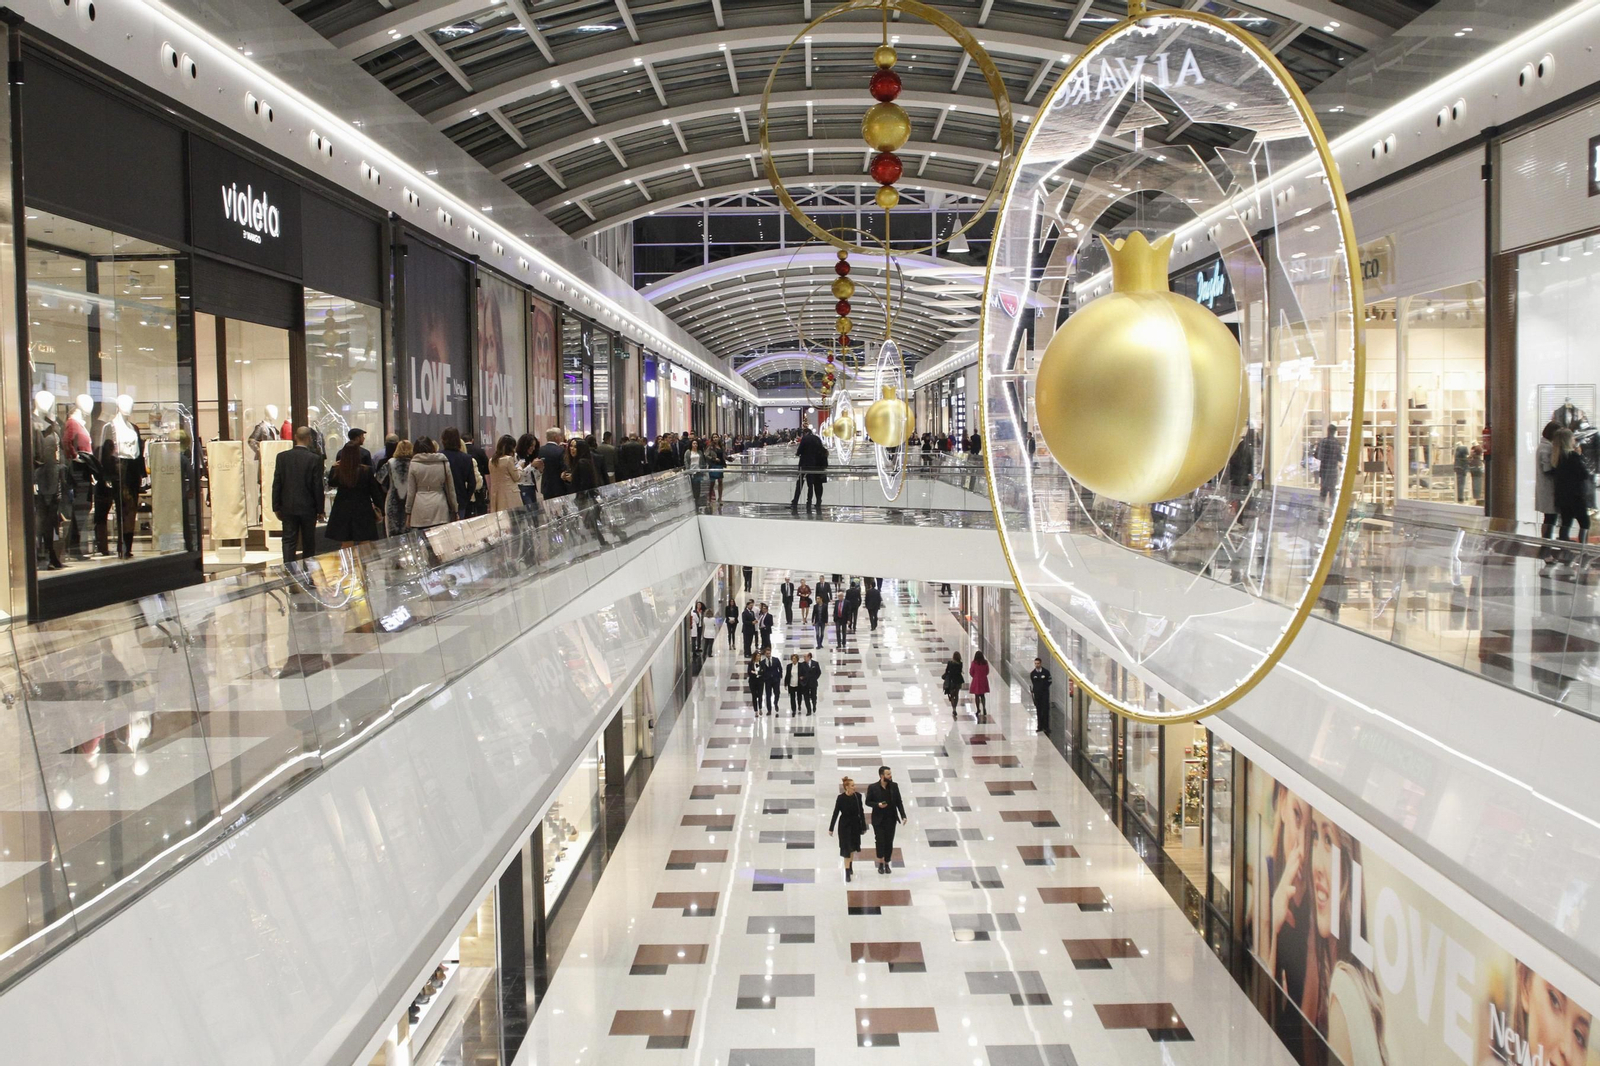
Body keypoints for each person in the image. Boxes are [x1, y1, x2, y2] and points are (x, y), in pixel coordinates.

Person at [272, 427, 324, 565]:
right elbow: (317, 486)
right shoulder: (314, 459)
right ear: (309, 439)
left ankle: (289, 568)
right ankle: (308, 570)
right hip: (308, 506)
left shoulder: (282, 457)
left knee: (288, 539)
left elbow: (277, 483)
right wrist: (320, 509)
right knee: (308, 540)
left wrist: (276, 506)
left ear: (295, 437)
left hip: (288, 505)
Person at [324, 443, 384, 548]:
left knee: (346, 542)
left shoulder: (339, 470)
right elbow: (374, 492)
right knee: (364, 542)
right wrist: (381, 508)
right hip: (363, 508)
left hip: (343, 508)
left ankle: (348, 564)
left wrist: (333, 468)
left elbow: (331, 483)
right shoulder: (366, 470)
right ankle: (364, 564)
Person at [405, 437, 458, 529]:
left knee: (422, 540)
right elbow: (450, 489)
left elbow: (411, 492)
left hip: (420, 506)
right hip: (440, 505)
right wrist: (455, 509)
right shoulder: (443, 462)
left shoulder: (413, 464)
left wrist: (408, 511)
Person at [863, 765, 906, 875]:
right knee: (880, 841)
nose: (890, 776)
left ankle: (887, 863)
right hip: (878, 819)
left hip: (891, 818)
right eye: (888, 774)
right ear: (882, 776)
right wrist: (877, 805)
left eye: (890, 774)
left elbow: (899, 802)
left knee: (889, 841)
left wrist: (903, 815)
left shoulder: (894, 786)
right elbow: (867, 802)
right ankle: (880, 863)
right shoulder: (873, 787)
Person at [1552, 427, 1592, 545]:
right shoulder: (1572, 456)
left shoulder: (1557, 457)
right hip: (1576, 496)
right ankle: (1583, 548)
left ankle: (1563, 548)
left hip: (1563, 496)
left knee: (1566, 522)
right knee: (1585, 523)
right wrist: (1580, 456)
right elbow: (1583, 474)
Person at [829, 776, 868, 881]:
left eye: (854, 785)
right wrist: (831, 827)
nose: (854, 787)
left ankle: (850, 865)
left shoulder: (858, 796)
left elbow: (861, 812)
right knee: (846, 848)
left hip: (855, 826)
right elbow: (836, 813)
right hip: (844, 827)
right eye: (852, 785)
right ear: (846, 787)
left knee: (852, 849)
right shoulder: (841, 798)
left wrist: (863, 826)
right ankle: (847, 872)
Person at [439, 427, 479, 521]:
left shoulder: (439, 457)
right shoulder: (466, 458)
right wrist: (466, 498)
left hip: (442, 499)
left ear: (443, 440)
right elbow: (472, 483)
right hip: (460, 499)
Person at [376, 439, 412, 537]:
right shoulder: (413, 463)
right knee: (409, 534)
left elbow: (379, 478)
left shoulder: (390, 462)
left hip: (393, 499)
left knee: (393, 534)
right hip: (409, 501)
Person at [794, 426, 828, 510]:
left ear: (804, 433)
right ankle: (818, 502)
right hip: (818, 465)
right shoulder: (817, 438)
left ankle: (799, 502)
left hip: (806, 465)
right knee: (817, 484)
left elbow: (799, 452)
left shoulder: (805, 439)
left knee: (803, 483)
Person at [1537, 420, 1560, 542]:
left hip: (1546, 489)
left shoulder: (1544, 446)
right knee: (1550, 519)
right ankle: (1545, 546)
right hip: (1548, 489)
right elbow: (1547, 469)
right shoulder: (1546, 448)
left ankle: (1545, 544)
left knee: (1549, 518)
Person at [488, 435, 522, 513]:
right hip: (510, 495)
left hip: (496, 495)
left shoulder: (491, 461)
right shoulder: (508, 459)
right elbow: (516, 477)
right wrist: (520, 467)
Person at [1314, 424, 1343, 504]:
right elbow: (1340, 458)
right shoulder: (1337, 443)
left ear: (1328, 431)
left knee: (1323, 491)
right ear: (1335, 432)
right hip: (1333, 471)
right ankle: (1332, 511)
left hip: (1324, 470)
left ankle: (1321, 510)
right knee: (1332, 492)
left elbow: (1316, 455)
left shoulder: (1322, 442)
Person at [515, 433, 543, 511]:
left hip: (532, 487)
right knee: (527, 511)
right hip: (522, 487)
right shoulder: (516, 457)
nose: (533, 448)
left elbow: (534, 477)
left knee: (534, 512)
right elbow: (519, 475)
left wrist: (540, 470)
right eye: (531, 446)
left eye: (534, 446)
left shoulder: (531, 458)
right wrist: (531, 466)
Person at [538, 428, 568, 500]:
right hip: (559, 485)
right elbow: (564, 467)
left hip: (546, 485)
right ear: (556, 437)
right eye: (560, 436)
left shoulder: (541, 450)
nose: (561, 438)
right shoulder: (561, 451)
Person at [1029, 657, 1053, 735]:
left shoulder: (1046, 672)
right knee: (1039, 710)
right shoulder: (1033, 673)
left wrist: (1043, 688)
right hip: (1037, 695)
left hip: (1045, 694)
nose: (1037, 665)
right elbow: (1033, 682)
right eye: (1035, 663)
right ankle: (1040, 726)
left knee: (1045, 710)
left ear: (1041, 663)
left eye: (1038, 663)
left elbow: (1049, 681)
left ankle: (1046, 727)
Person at [969, 650, 992, 720]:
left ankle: (978, 709)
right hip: (983, 680)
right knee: (982, 695)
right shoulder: (985, 663)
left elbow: (971, 672)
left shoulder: (974, 663)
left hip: (976, 680)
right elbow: (987, 671)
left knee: (976, 695)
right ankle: (984, 707)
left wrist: (975, 676)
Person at [942, 652, 965, 716]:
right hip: (958, 681)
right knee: (957, 694)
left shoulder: (950, 663)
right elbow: (959, 671)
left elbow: (947, 671)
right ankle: (955, 707)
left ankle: (954, 708)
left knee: (952, 695)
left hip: (951, 681)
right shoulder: (960, 663)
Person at [761, 650, 782, 715]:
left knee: (777, 693)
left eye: (769, 653)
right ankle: (769, 710)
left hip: (776, 680)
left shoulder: (776, 660)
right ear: (765, 654)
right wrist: (764, 678)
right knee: (768, 695)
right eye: (767, 653)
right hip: (768, 681)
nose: (768, 654)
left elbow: (780, 668)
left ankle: (775, 703)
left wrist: (779, 677)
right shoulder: (762, 662)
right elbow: (761, 672)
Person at [706, 436, 727, 503]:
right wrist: (714, 458)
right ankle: (709, 498)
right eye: (714, 437)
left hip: (720, 465)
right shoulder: (710, 447)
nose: (715, 438)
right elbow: (706, 455)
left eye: (716, 437)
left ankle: (720, 498)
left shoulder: (721, 446)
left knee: (720, 481)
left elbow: (723, 455)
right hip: (713, 465)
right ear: (712, 439)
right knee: (712, 482)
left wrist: (728, 458)